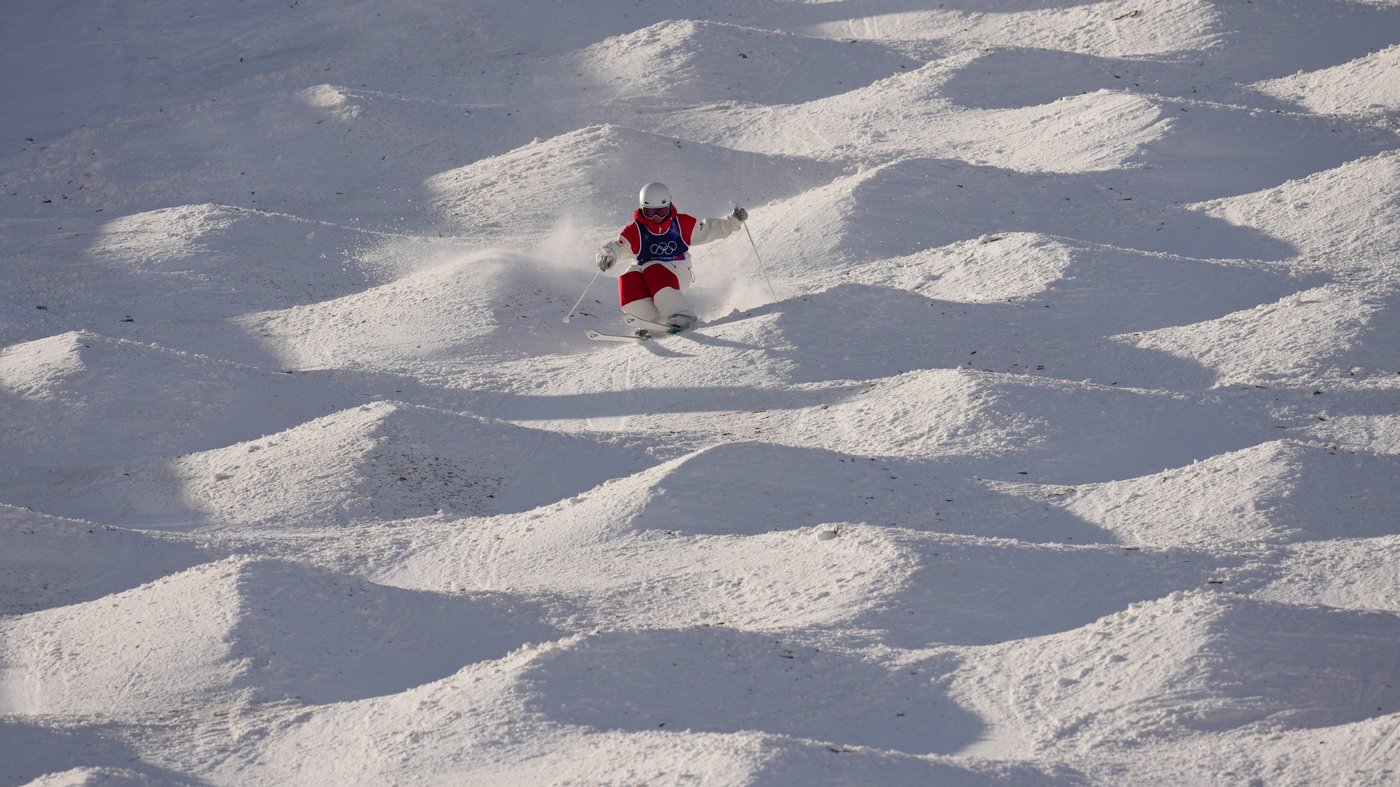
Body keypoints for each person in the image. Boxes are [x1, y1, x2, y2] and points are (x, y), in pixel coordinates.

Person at [595, 182, 748, 332]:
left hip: (677, 273)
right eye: (650, 212)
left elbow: (709, 230)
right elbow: (618, 247)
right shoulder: (635, 231)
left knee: (652, 268)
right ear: (642, 208)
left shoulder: (680, 224)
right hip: (649, 277)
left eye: (661, 212)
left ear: (668, 207)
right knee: (628, 278)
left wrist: (733, 221)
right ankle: (651, 322)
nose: (656, 217)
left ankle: (683, 315)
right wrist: (608, 255)